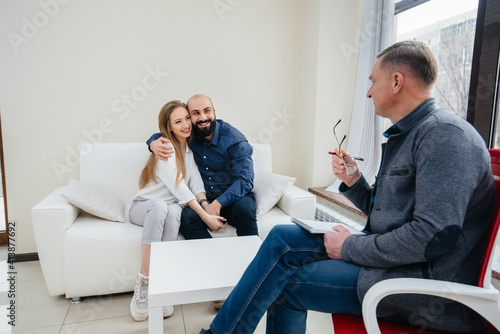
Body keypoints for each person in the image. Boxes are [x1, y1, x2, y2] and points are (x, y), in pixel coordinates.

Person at [198, 41, 496, 334]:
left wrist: (350, 247)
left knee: (285, 284)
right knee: (281, 236)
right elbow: (385, 215)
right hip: (397, 261)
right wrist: (355, 182)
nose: (368, 92)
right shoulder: (410, 135)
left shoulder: (446, 137)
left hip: (424, 285)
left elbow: (432, 239)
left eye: (372, 82)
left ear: (396, 82)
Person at [129, 100, 226, 322]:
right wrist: (206, 217)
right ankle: (144, 281)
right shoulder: (164, 148)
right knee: (161, 205)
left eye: (186, 119)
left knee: (174, 211)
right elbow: (180, 189)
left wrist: (205, 206)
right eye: (178, 121)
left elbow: (196, 184)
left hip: (167, 208)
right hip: (143, 206)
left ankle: (163, 286)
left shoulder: (189, 151)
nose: (185, 125)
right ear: (168, 127)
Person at [147, 94, 258, 240]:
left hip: (234, 198)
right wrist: (152, 143)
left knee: (245, 210)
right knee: (185, 217)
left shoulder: (234, 140)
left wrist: (217, 204)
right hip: (202, 199)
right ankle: (211, 258)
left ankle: (252, 258)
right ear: (190, 117)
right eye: (195, 113)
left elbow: (245, 180)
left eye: (207, 111)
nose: (203, 118)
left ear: (214, 112)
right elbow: (167, 131)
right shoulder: (190, 132)